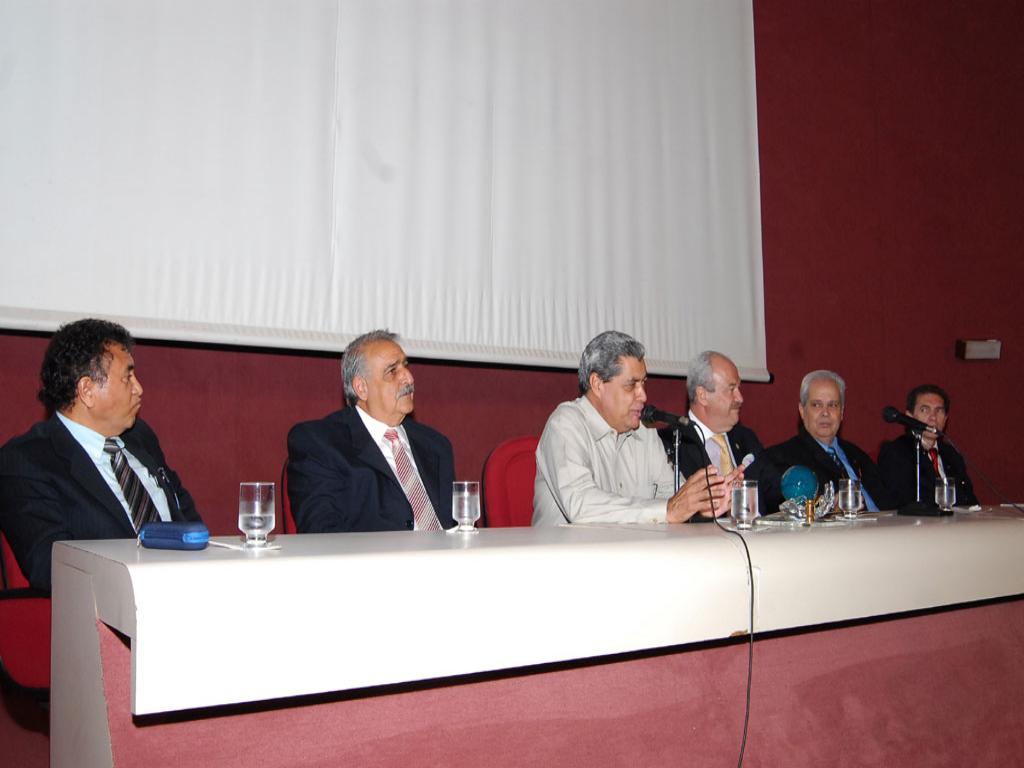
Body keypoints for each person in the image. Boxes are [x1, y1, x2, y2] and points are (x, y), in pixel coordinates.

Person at [0, 319, 200, 591]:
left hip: (190, 589)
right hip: (111, 607)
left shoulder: (140, 437)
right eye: (127, 377)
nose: (139, 388)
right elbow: (50, 566)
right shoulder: (27, 462)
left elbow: (188, 520)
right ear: (87, 391)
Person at [532, 331, 739, 526]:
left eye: (643, 384)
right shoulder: (565, 424)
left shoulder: (644, 430)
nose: (643, 396)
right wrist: (668, 510)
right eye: (631, 385)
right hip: (567, 552)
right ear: (597, 384)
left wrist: (702, 503)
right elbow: (581, 504)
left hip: (633, 550)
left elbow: (672, 499)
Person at [287, 330, 456, 532]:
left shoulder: (435, 445)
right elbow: (322, 534)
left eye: (406, 366)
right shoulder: (321, 444)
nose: (409, 378)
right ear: (361, 388)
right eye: (392, 371)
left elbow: (456, 524)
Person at [661, 351, 783, 515]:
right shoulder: (671, 444)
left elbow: (777, 492)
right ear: (702, 395)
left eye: (739, 388)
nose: (740, 398)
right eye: (731, 389)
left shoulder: (746, 438)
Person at [766, 370, 894, 510]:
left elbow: (888, 503)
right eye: (817, 405)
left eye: (833, 405)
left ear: (842, 412)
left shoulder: (857, 455)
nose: (825, 413)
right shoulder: (783, 459)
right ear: (802, 410)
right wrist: (830, 510)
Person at [877, 384, 978, 508]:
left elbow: (970, 501)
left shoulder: (951, 454)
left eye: (939, 411)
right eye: (925, 410)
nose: (933, 418)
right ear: (909, 417)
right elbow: (900, 502)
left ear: (946, 419)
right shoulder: (896, 452)